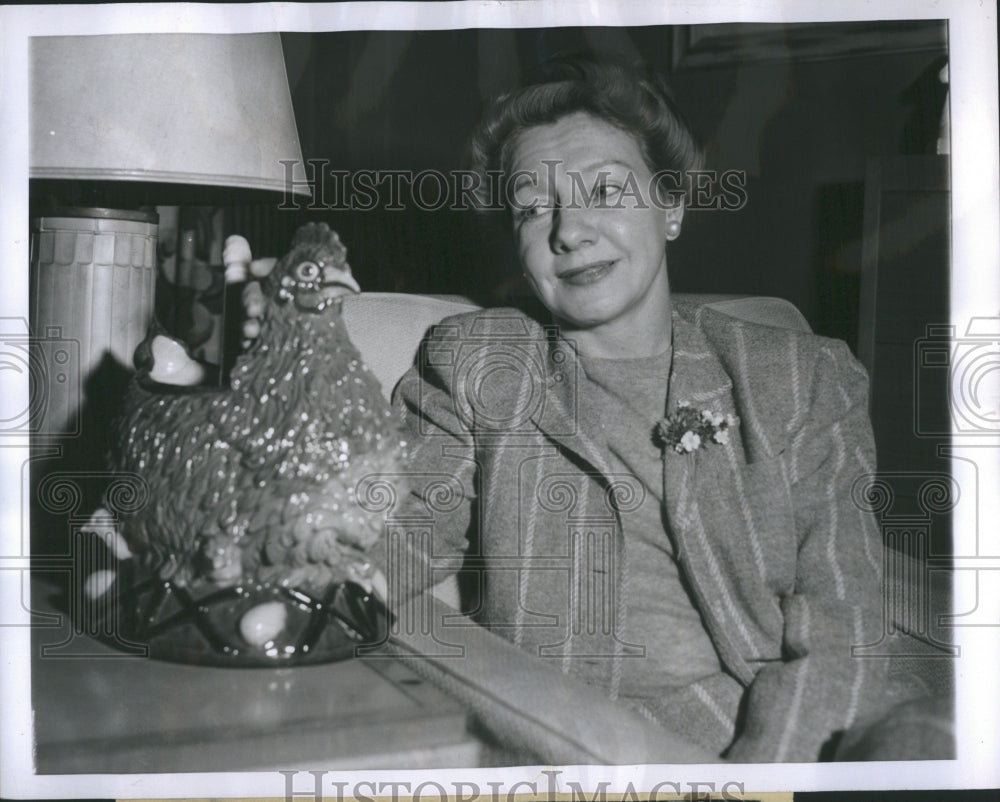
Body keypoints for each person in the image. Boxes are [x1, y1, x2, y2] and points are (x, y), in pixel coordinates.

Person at [236, 56, 923, 762]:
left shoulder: (798, 376)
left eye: (606, 190)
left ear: (673, 207)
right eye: (534, 208)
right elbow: (398, 526)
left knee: (934, 739)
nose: (569, 230)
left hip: (785, 733)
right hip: (580, 737)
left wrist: (764, 778)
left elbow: (844, 623)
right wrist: (289, 376)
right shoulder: (478, 361)